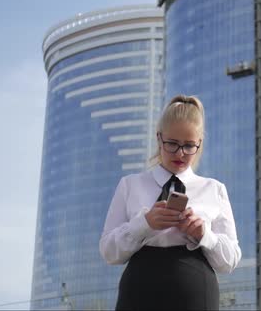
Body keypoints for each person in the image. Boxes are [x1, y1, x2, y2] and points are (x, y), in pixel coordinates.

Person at [99, 94, 241, 310]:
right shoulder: (130, 185)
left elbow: (230, 261)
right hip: (139, 292)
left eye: (189, 146)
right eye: (172, 144)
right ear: (159, 138)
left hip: (196, 293)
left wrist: (204, 235)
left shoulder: (214, 189)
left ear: (199, 143)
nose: (180, 153)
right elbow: (109, 252)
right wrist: (144, 224)